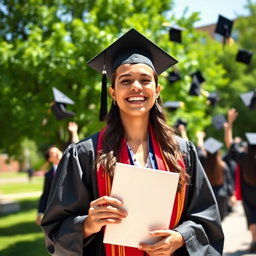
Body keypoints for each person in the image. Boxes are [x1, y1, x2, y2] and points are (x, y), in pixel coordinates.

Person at [41, 28, 224, 256]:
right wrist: (88, 224)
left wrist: (180, 237)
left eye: (145, 80)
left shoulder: (183, 152)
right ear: (113, 93)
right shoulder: (85, 155)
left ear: (156, 91)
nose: (136, 86)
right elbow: (54, 231)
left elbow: (207, 220)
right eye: (125, 81)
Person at [224, 108, 256, 253]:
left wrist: (229, 123)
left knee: (252, 215)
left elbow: (229, 143)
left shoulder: (244, 157)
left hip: (248, 191)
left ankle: (255, 241)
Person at [36, 122, 79, 225]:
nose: (57, 153)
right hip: (58, 210)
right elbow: (45, 194)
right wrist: (40, 213)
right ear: (49, 159)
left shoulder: (69, 163)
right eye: (53, 153)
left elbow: (76, 147)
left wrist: (73, 132)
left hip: (75, 205)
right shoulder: (49, 175)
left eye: (57, 150)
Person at [195, 132, 231, 220]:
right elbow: (228, 183)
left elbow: (198, 150)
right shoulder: (223, 165)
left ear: (206, 151)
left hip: (207, 196)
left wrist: (200, 138)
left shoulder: (202, 162)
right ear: (218, 152)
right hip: (221, 196)